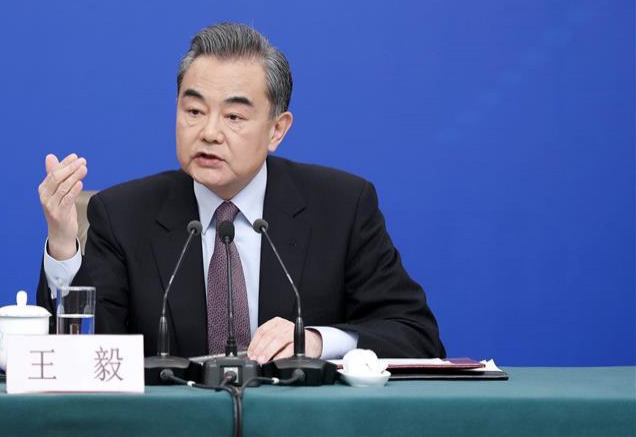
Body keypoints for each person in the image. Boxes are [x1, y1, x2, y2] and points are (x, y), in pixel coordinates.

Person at [37, 22, 444, 362]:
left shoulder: (342, 207)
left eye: (233, 116)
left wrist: (318, 343)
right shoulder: (123, 215)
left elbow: (415, 336)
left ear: (277, 130)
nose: (209, 132)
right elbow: (78, 358)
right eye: (194, 111)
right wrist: (62, 246)